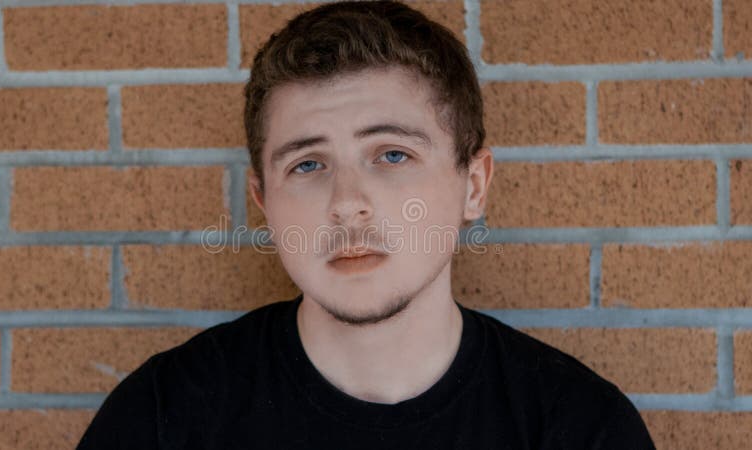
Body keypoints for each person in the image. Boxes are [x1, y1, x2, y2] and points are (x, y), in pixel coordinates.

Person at [77, 1, 656, 448]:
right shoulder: (161, 421)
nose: (347, 203)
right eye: (308, 164)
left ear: (473, 186)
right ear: (262, 202)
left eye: (392, 154)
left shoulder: (580, 429)